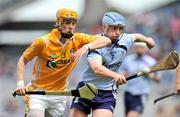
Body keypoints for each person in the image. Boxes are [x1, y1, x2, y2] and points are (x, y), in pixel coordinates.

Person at [14, 8, 113, 117]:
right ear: (58, 22)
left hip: (60, 95)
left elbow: (107, 40)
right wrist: (20, 84)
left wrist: (86, 47)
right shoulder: (43, 42)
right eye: (67, 22)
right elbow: (23, 60)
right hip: (38, 93)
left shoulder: (78, 39)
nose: (71, 26)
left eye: (73, 23)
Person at [70, 12, 155, 117]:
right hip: (87, 89)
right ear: (104, 27)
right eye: (114, 28)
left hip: (107, 93)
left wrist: (148, 41)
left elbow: (137, 36)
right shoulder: (95, 42)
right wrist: (116, 75)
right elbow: (97, 68)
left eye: (120, 28)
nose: (118, 32)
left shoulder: (125, 39)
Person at [121, 42, 161, 117]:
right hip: (128, 92)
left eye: (142, 47)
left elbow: (158, 79)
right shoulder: (128, 60)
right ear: (135, 48)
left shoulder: (151, 62)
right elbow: (122, 73)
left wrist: (149, 75)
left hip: (141, 94)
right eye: (138, 47)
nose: (140, 49)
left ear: (146, 49)